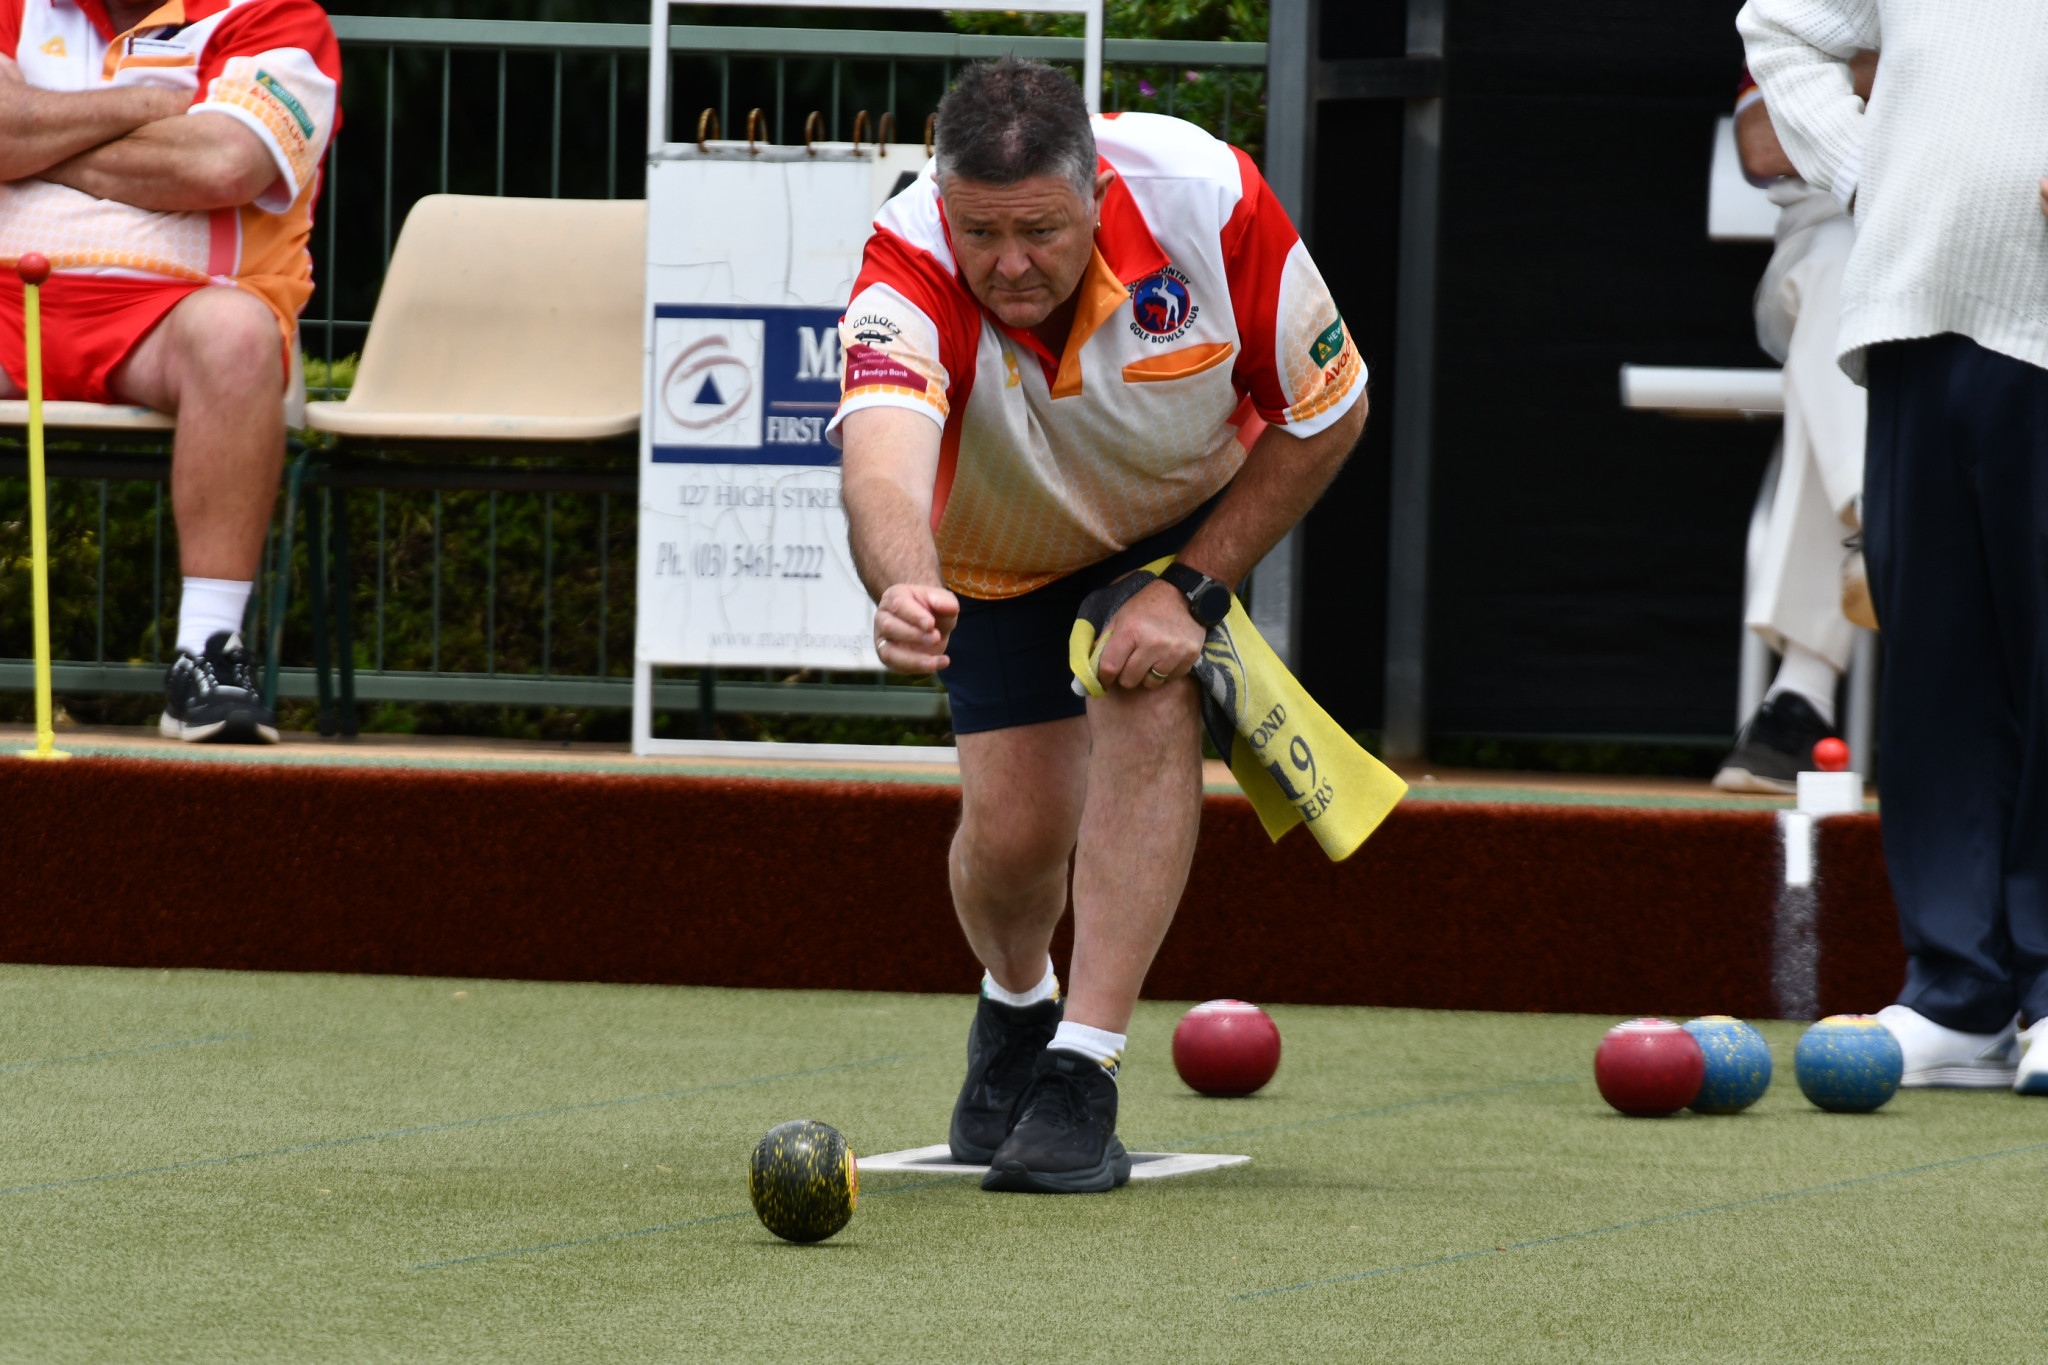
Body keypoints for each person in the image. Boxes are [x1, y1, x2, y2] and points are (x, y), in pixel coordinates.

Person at [832, 58, 1367, 1191]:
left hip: (1176, 519)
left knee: (1147, 685)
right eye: (981, 231)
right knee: (1016, 839)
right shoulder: (905, 260)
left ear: (1094, 200)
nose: (1008, 264)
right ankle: (1015, 1009)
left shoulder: (1203, 198)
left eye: (1039, 230)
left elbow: (1328, 408)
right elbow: (879, 464)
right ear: (944, 202)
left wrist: (1192, 587)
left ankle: (1082, 1067)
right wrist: (902, 583)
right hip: (994, 550)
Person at [1740, 0, 2048, 1094]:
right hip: (1916, 301)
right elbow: (1779, 24)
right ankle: (1958, 994)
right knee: (1937, 664)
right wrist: (1878, 174)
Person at [0, 0, 340, 744]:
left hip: (178, 312)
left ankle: (208, 654)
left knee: (241, 340)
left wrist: (37, 135)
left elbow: (221, 164)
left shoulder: (277, 19)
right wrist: (147, 107)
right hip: (8, 302)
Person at [1714, 59, 1874, 794]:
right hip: (1828, 246)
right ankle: (1880, 519)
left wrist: (1857, 74)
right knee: (1846, 284)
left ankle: (1801, 697)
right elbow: (1761, 143)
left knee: (1848, 380)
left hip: (1983, 268)